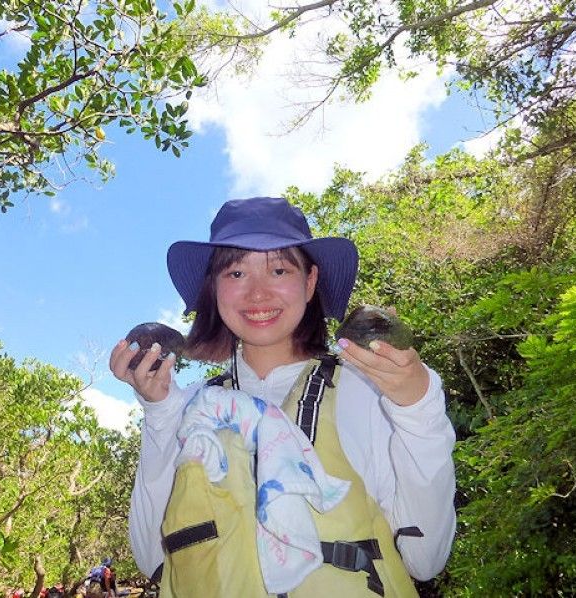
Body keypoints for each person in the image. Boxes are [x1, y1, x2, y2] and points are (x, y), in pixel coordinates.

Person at [109, 197, 456, 596]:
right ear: (214, 288)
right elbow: (154, 557)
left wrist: (417, 408)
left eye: (278, 269)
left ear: (310, 282)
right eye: (236, 272)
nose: (257, 294)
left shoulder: (368, 391)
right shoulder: (189, 408)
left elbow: (424, 557)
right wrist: (159, 414)